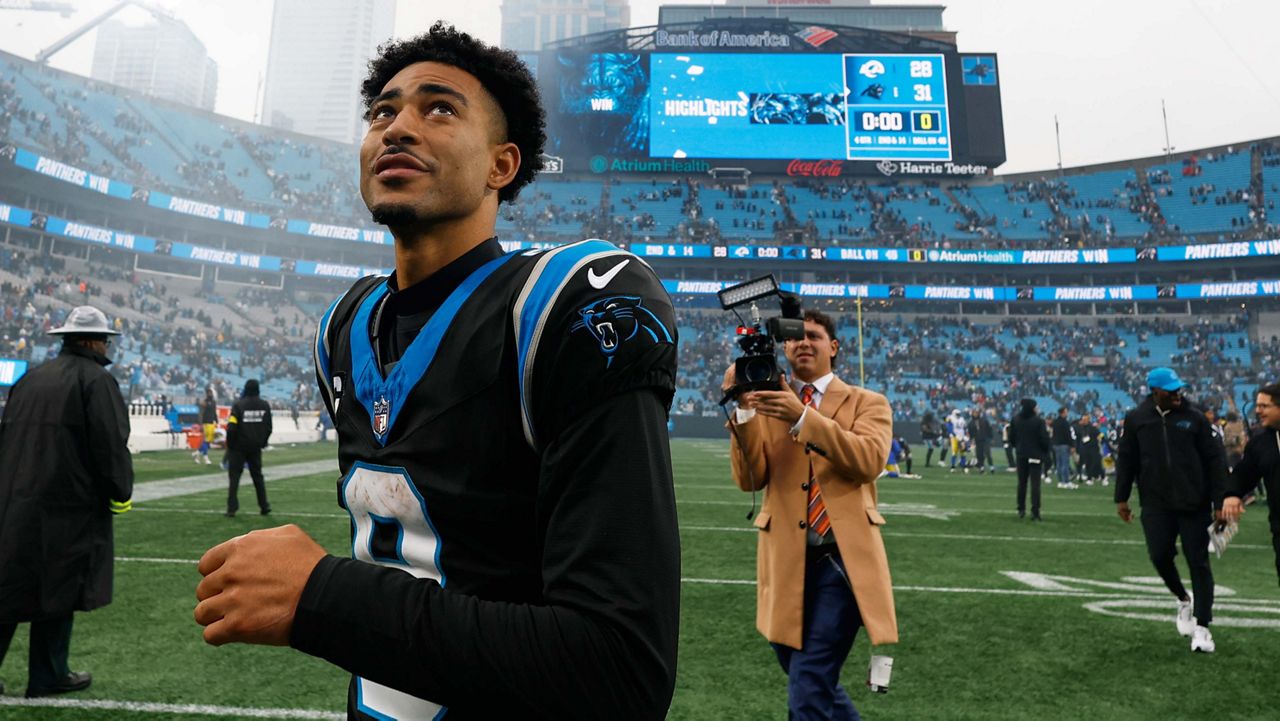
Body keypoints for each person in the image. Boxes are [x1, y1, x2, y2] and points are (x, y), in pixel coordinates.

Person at [194, 24, 680, 719]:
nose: (397, 128)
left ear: (501, 164)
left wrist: (321, 596)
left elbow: (621, 670)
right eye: (382, 113)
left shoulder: (559, 307)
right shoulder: (344, 326)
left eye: (439, 108)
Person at [723, 309, 896, 720]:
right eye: (795, 337)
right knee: (812, 681)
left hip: (842, 563)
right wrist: (744, 412)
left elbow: (869, 460)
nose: (804, 342)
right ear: (783, 347)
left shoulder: (868, 403)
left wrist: (801, 417)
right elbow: (751, 480)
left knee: (809, 684)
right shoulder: (765, 404)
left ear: (833, 347)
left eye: (814, 336)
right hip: (786, 562)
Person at [0, 306, 133, 697]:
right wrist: (120, 490)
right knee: (59, 590)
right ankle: (48, 674)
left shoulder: (30, 379)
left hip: (15, 500)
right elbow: (110, 446)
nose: (108, 346)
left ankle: (48, 674)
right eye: (105, 339)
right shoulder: (96, 381)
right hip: (69, 506)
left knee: (8, 587)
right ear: (92, 341)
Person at [1115, 367, 1229, 653]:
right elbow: (1127, 458)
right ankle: (1183, 599)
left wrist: (1219, 501)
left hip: (1195, 504)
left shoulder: (1195, 418)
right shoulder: (1137, 419)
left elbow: (1215, 460)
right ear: (1155, 391)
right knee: (1159, 555)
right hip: (1155, 504)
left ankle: (1203, 628)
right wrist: (1122, 497)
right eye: (1171, 390)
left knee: (1198, 562)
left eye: (1179, 389)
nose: (1178, 394)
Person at [1221, 382, 1280, 585]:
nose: (1258, 411)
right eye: (1257, 405)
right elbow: (1243, 474)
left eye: (1264, 406)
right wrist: (1232, 494)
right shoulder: (1261, 442)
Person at [225, 379, 273, 518]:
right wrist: (262, 442)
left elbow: (232, 427)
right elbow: (269, 427)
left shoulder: (238, 406)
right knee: (258, 477)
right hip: (255, 448)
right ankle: (264, 506)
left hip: (238, 448)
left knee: (234, 478)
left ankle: (231, 509)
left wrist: (231, 444)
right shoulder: (264, 406)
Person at [1009, 398, 1051, 520]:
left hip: (1021, 454)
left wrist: (1018, 446)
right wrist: (1044, 450)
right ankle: (1035, 510)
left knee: (1022, 483)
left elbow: (1012, 437)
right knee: (1035, 484)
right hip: (1035, 455)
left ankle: (1021, 508)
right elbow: (1044, 438)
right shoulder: (1038, 421)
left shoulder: (1016, 419)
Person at [1075, 414, 1104, 486]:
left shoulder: (1093, 428)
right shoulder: (1080, 428)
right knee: (1088, 464)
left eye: (1085, 420)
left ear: (1088, 420)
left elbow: (1100, 435)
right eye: (1083, 419)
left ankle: (1101, 477)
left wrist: (1100, 440)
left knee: (1095, 463)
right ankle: (1090, 478)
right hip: (1085, 449)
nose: (1083, 421)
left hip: (1093, 448)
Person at [1051, 407, 1077, 489]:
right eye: (1066, 412)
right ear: (1062, 413)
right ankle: (1066, 481)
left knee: (1058, 464)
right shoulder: (1065, 422)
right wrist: (1072, 445)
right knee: (1065, 464)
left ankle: (1060, 481)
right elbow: (1068, 435)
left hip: (1056, 445)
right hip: (1064, 445)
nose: (1067, 413)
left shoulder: (1055, 422)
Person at [194, 387, 217, 464]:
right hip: (206, 423)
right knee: (206, 440)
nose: (210, 394)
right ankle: (205, 457)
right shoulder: (204, 402)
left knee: (208, 441)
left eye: (211, 393)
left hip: (211, 423)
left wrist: (216, 420)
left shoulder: (213, 402)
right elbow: (201, 413)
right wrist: (200, 423)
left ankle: (197, 453)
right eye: (209, 393)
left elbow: (214, 412)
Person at [971, 408, 995, 474]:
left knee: (988, 453)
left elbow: (989, 429)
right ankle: (981, 468)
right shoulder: (971, 422)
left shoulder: (984, 421)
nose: (975, 414)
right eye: (974, 413)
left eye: (976, 413)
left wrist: (991, 438)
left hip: (985, 439)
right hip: (978, 440)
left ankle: (991, 467)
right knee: (979, 455)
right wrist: (972, 439)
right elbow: (971, 432)